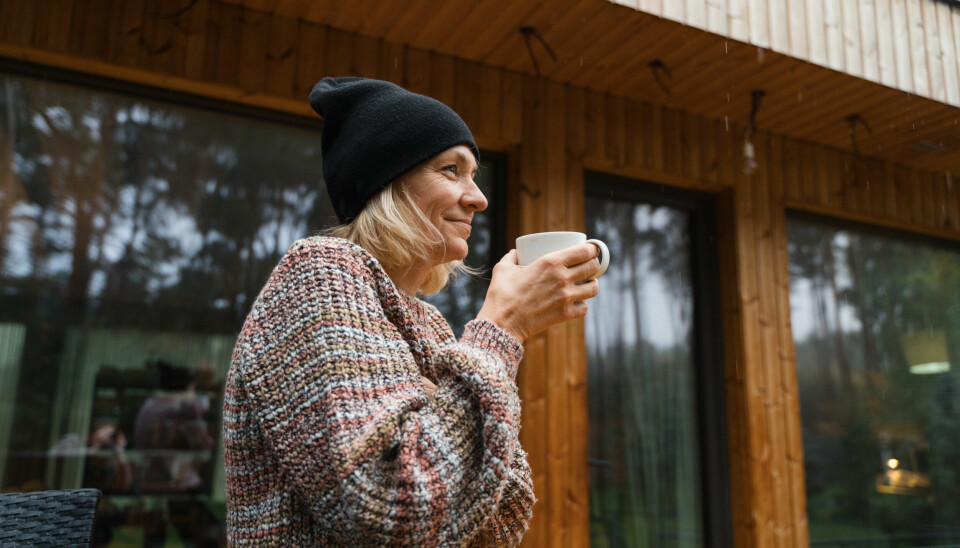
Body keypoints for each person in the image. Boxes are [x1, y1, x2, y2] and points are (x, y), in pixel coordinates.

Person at [224, 77, 601, 547]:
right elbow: (388, 508)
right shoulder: (319, 274)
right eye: (451, 170)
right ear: (389, 182)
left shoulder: (429, 323)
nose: (478, 198)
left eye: (475, 174)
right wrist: (502, 328)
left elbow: (503, 516)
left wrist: (445, 405)